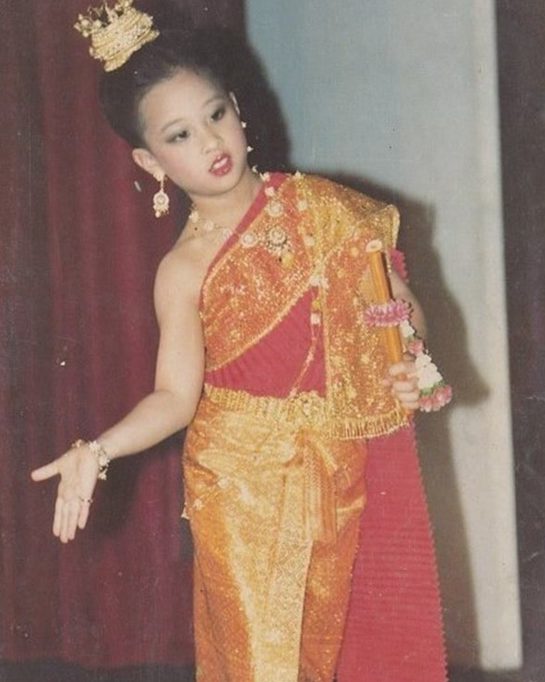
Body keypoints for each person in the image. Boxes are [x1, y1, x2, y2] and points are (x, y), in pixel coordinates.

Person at [31, 2, 449, 680]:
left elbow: (398, 310)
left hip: (341, 467)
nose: (210, 141)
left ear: (238, 110)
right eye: (180, 135)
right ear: (150, 160)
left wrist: (409, 358)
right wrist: (99, 449)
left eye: (215, 114)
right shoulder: (183, 270)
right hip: (242, 490)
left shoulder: (325, 210)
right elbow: (174, 397)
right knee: (264, 665)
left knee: (345, 655)